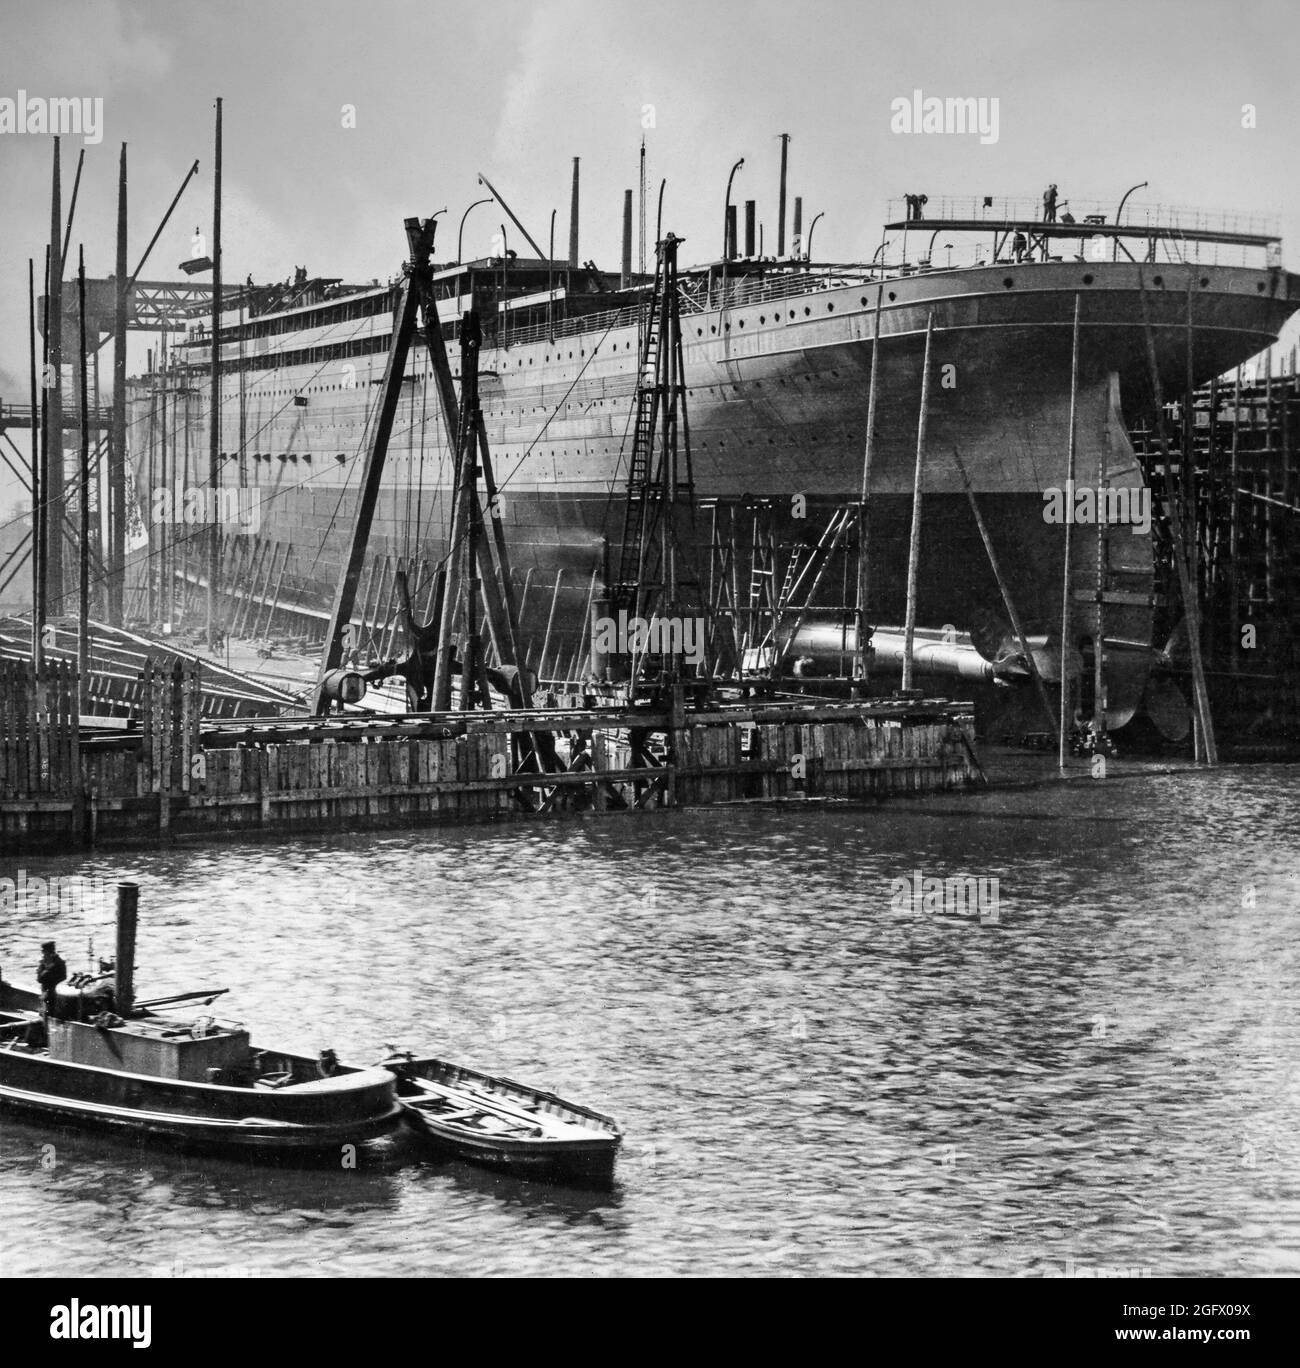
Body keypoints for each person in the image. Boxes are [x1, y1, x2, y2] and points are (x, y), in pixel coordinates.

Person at [36, 941, 67, 1018]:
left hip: (53, 992)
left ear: (48, 951)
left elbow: (63, 976)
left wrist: (48, 969)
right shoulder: (45, 961)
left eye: (43, 951)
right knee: (46, 1009)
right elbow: (39, 979)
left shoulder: (58, 963)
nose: (43, 954)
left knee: (50, 1012)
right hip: (46, 991)